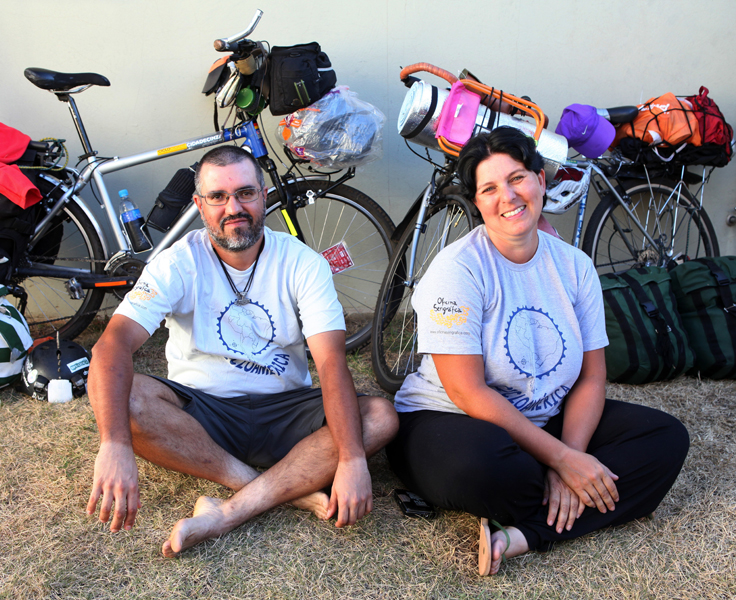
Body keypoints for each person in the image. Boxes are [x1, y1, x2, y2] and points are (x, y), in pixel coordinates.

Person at [385, 127, 689, 576]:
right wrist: (564, 461)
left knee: (665, 439)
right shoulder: (458, 269)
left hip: (545, 419)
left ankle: (524, 535)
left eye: (518, 178)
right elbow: (467, 392)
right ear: (477, 202)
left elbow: (591, 378)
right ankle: (549, 492)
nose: (507, 196)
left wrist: (571, 452)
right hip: (450, 420)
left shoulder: (574, 266)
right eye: (489, 188)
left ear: (541, 181)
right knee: (491, 470)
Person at [86, 145, 398, 557]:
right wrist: (114, 444)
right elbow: (112, 346)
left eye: (245, 193)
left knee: (378, 417)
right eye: (218, 197)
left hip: (287, 411)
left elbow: (330, 361)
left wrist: (354, 459)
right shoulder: (177, 262)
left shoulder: (302, 263)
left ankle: (229, 512)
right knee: (126, 399)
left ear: (264, 195)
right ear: (200, 205)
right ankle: (273, 486)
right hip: (203, 415)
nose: (233, 207)